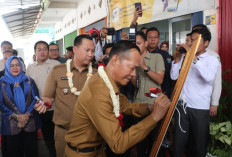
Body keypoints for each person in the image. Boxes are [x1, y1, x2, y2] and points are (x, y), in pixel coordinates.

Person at [64, 40, 171, 157]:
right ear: (115, 60)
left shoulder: (106, 81)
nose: (134, 74)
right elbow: (118, 144)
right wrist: (155, 117)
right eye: (132, 68)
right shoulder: (99, 92)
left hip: (97, 150)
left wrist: (151, 107)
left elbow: (125, 106)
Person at [34, 35, 96, 157]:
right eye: (87, 50)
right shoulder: (58, 71)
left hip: (88, 132)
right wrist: (43, 104)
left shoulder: (96, 74)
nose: (91, 54)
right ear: (75, 49)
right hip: (63, 132)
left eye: (93, 51)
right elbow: (48, 97)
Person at [171, 28, 219, 157]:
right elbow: (174, 76)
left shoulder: (212, 59)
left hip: (200, 109)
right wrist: (178, 58)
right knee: (178, 144)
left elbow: (208, 77)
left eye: (197, 40)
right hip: (183, 107)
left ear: (206, 43)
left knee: (199, 146)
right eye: (192, 40)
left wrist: (193, 57)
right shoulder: (185, 57)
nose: (192, 43)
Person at [0, 56, 41, 157]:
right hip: (10, 124)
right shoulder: (1, 82)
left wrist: (27, 115)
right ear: (7, 67)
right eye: (11, 65)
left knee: (31, 150)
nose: (15, 68)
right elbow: (0, 103)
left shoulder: (29, 80)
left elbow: (36, 98)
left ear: (21, 66)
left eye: (17, 65)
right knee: (13, 151)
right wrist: (17, 117)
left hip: (29, 122)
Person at [27, 41, 60, 157]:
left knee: (59, 137)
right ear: (35, 52)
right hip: (40, 109)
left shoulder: (56, 64)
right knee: (47, 137)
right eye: (39, 49)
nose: (42, 52)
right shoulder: (30, 68)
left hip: (56, 108)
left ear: (48, 51)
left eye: (45, 49)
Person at [147, 27, 173, 98]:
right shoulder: (143, 54)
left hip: (160, 91)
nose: (152, 39)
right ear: (146, 39)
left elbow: (167, 71)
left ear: (158, 39)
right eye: (150, 37)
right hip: (145, 91)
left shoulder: (165, 55)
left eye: (155, 37)